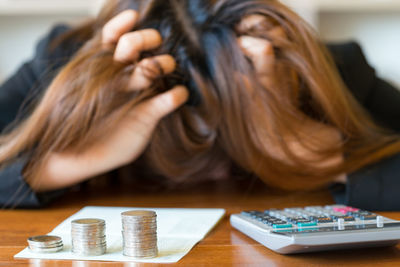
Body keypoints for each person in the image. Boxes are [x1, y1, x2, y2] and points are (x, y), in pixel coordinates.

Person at [1, 0, 400, 209]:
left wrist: (322, 153)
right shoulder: (59, 61)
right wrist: (63, 162)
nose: (216, 169)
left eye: (225, 132)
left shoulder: (331, 70)